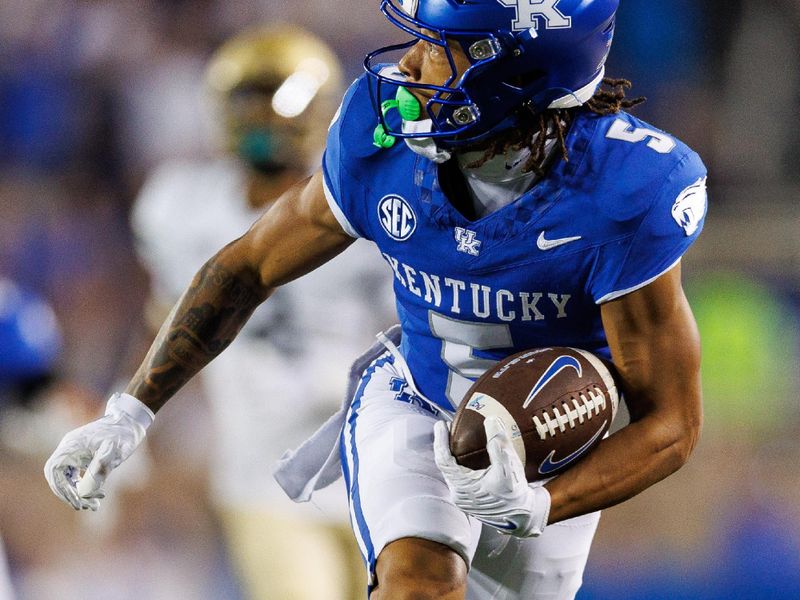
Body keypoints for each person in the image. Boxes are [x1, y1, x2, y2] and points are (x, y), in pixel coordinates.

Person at [44, 1, 707, 598]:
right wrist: (131, 411)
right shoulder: (378, 136)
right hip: (413, 397)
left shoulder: (625, 192)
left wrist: (540, 503)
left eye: (441, 46)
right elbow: (248, 266)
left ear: (514, 73)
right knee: (418, 582)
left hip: (545, 446)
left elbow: (670, 423)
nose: (411, 64)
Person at [129, 25, 394, 600]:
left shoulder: (370, 203)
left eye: (281, 100)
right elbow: (169, 321)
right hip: (263, 472)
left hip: (379, 459)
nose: (267, 120)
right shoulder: (179, 205)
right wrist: (131, 412)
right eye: (249, 101)